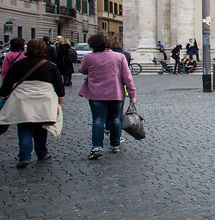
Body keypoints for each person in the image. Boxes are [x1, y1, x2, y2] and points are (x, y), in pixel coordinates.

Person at [0, 38, 64, 168]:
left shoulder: (18, 65)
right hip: (44, 101)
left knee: (24, 127)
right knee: (41, 127)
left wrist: (3, 97)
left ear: (27, 49)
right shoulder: (50, 66)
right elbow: (60, 89)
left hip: (23, 100)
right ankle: (42, 153)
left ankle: (24, 156)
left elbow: (6, 85)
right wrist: (59, 104)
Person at [78, 33, 136, 160]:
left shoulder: (88, 57)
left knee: (98, 119)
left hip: (96, 93)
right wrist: (132, 93)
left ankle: (97, 147)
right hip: (116, 93)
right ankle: (115, 144)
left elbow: (82, 70)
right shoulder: (119, 57)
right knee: (115, 119)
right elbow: (127, 77)